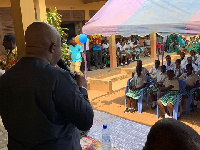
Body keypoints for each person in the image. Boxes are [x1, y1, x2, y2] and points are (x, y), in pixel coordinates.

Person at [0, 22, 94, 150]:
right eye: (60, 48)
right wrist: (82, 88)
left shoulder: (5, 79)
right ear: (53, 48)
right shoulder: (58, 78)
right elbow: (85, 120)